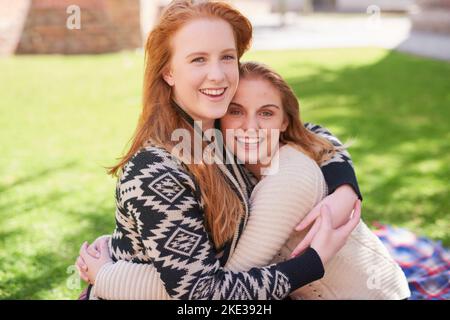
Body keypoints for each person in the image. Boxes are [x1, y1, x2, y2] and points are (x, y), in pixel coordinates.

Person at [76, 0, 360, 300]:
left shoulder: (220, 134)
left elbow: (311, 133)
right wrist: (312, 262)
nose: (218, 75)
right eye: (198, 59)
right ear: (168, 72)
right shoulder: (156, 170)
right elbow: (201, 295)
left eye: (227, 57)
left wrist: (345, 189)